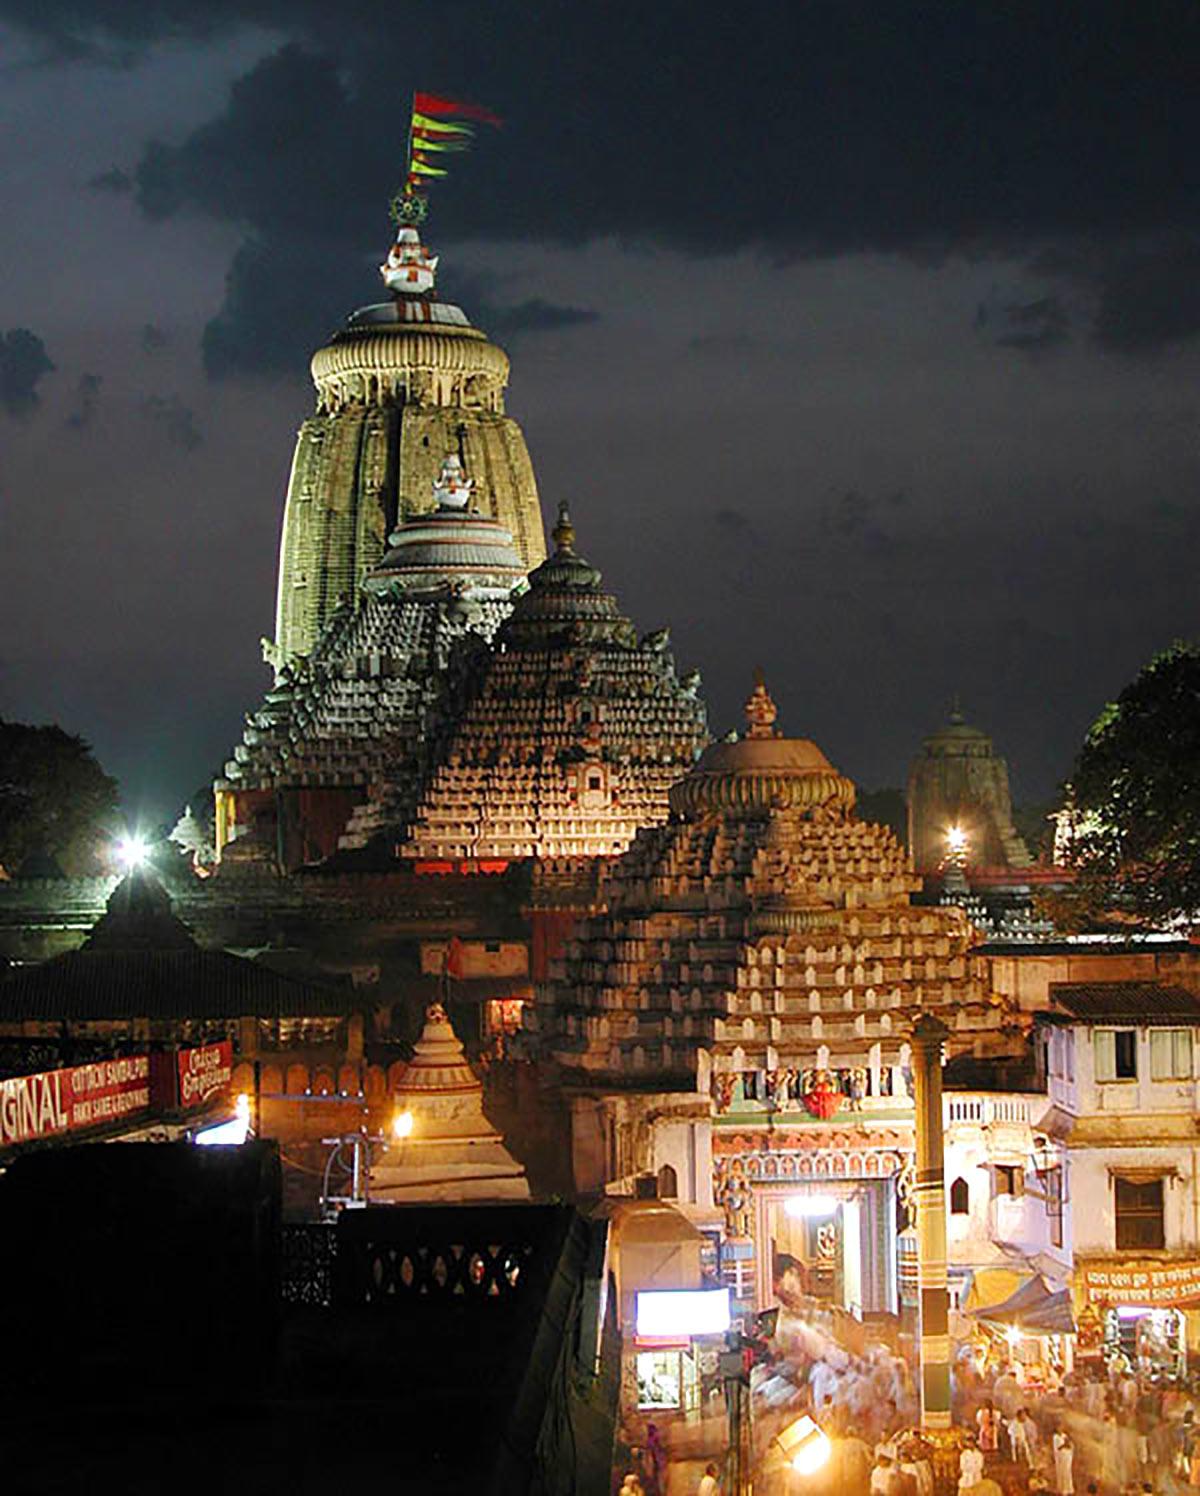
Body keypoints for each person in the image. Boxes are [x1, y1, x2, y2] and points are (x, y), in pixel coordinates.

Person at [1053, 1428, 1074, 1496]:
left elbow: (1070, 1446)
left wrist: (1068, 1445)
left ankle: (1069, 1489)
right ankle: (1062, 1489)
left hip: (1067, 1456)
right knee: (1062, 1472)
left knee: (1067, 1472)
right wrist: (1063, 1445)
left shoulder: (1064, 1436)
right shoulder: (1055, 1437)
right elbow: (1057, 1448)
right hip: (1061, 1457)